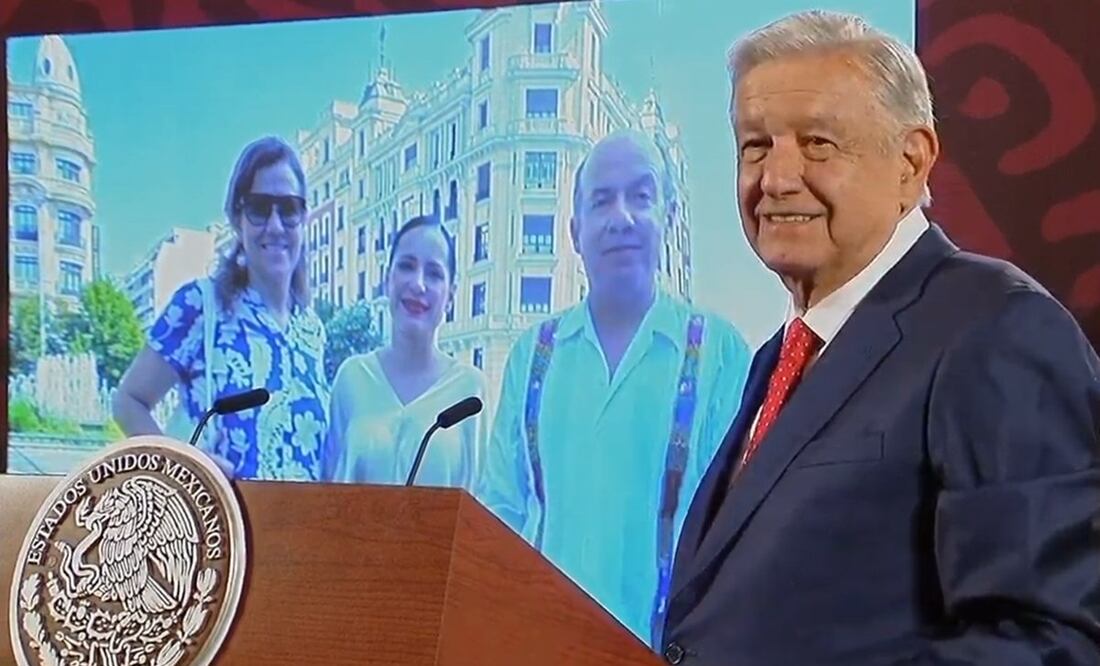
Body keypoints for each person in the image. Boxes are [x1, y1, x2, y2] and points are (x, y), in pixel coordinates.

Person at [659, 11, 1100, 666]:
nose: (775, 179)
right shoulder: (778, 357)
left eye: (817, 143)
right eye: (756, 146)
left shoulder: (997, 328)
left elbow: (1050, 639)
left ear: (911, 162)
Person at [477, 129, 752, 646]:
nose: (621, 218)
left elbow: (741, 534)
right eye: (601, 200)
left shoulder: (719, 353)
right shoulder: (533, 356)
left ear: (669, 215)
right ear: (574, 230)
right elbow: (500, 518)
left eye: (640, 196)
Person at [113, 136, 329, 481]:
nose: (275, 225)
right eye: (259, 208)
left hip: (299, 516)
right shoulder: (200, 304)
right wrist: (181, 466)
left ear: (303, 218)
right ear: (237, 218)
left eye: (289, 209)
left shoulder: (312, 330)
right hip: (219, 514)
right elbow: (128, 401)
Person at [322, 215, 486, 490]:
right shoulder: (352, 378)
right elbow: (328, 490)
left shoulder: (471, 391)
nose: (418, 284)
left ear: (450, 295)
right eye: (407, 266)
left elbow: (482, 498)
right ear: (388, 279)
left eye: (434, 273)